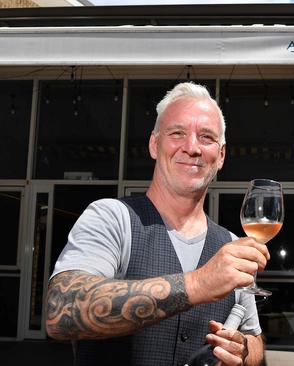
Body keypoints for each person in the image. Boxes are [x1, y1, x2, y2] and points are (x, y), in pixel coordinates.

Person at [46, 82, 268, 366]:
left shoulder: (231, 245)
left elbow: (255, 339)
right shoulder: (111, 218)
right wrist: (199, 283)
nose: (192, 148)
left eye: (206, 137)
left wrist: (244, 351)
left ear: (221, 155)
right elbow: (61, 310)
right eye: (177, 133)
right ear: (154, 144)